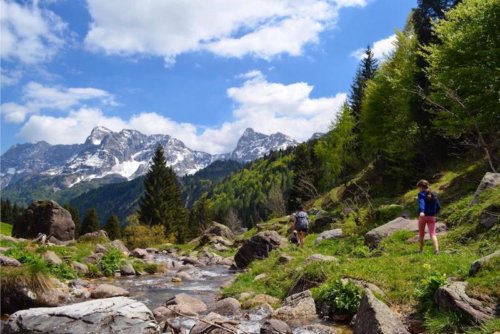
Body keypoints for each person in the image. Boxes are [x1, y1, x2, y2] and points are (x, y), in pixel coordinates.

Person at [417, 179, 441, 255]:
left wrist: (422, 211)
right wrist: (435, 213)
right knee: (433, 234)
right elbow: (438, 206)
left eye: (418, 187)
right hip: (432, 217)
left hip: (423, 217)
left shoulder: (421, 194)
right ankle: (436, 250)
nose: (418, 189)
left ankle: (421, 250)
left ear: (421, 187)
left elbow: (421, 202)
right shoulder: (433, 194)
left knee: (421, 234)